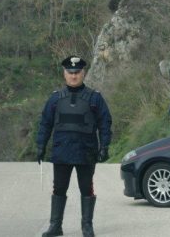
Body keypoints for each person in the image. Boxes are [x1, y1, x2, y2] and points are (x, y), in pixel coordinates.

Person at [36, 56, 112, 237]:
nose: (74, 76)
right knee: (59, 188)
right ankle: (56, 226)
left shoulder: (95, 98)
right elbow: (45, 123)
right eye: (70, 72)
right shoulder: (55, 99)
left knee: (86, 188)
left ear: (83, 73)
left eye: (77, 72)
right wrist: (40, 145)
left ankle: (87, 226)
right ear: (64, 74)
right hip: (61, 151)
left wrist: (104, 147)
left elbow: (105, 123)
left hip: (86, 151)